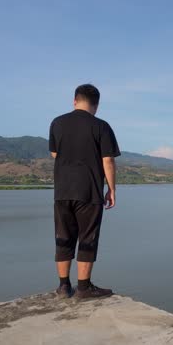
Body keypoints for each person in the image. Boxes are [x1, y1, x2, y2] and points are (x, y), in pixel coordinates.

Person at [49, 83, 121, 299]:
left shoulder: (57, 123)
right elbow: (107, 160)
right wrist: (112, 189)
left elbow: (54, 154)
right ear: (96, 105)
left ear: (74, 100)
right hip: (89, 190)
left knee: (63, 236)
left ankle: (63, 287)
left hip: (62, 190)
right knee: (87, 237)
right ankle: (83, 287)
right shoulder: (101, 126)